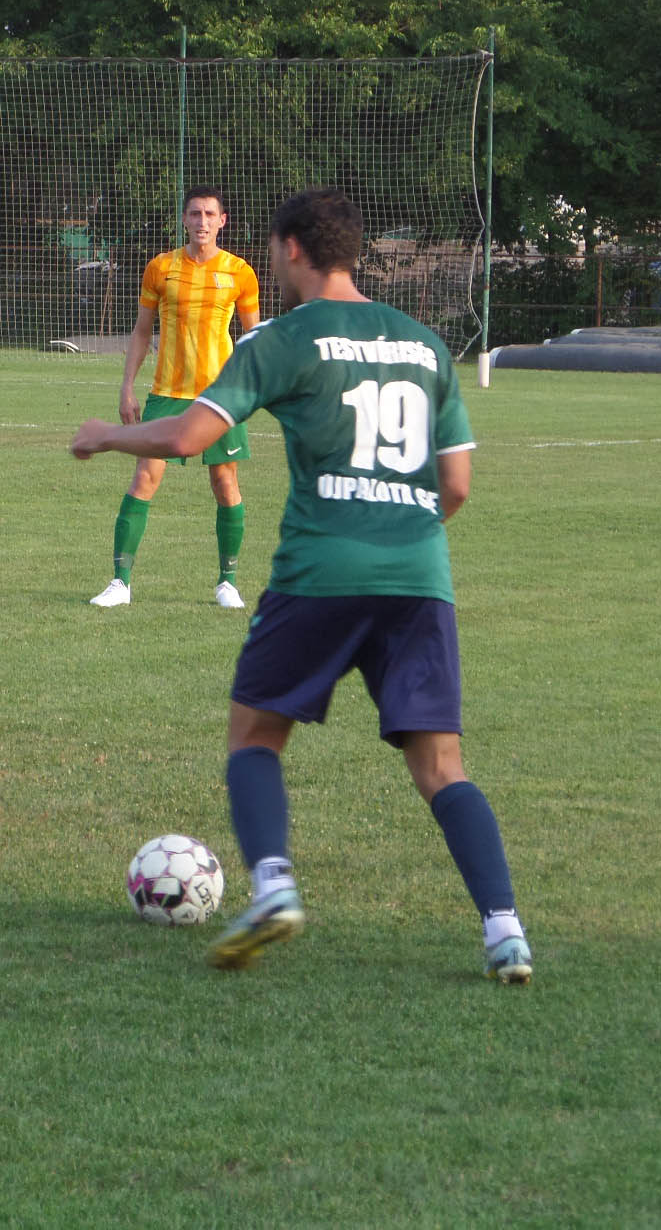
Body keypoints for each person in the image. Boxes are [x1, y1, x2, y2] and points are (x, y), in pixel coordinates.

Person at [71, 187, 532, 984]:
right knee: (441, 767)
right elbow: (455, 485)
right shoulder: (425, 346)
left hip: (321, 571)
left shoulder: (283, 339)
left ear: (290, 249)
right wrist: (400, 537)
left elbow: (188, 435)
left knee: (255, 736)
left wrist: (107, 434)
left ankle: (275, 887)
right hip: (419, 575)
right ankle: (505, 931)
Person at [90, 186, 261, 610]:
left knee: (225, 483)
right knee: (144, 479)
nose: (202, 221)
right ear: (184, 219)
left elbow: (254, 339)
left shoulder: (240, 272)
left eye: (210, 214)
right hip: (167, 394)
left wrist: (249, 389)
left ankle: (227, 583)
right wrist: (127, 386)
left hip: (220, 398)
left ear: (222, 221)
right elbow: (141, 332)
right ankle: (120, 582)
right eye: (195, 214)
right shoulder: (160, 268)